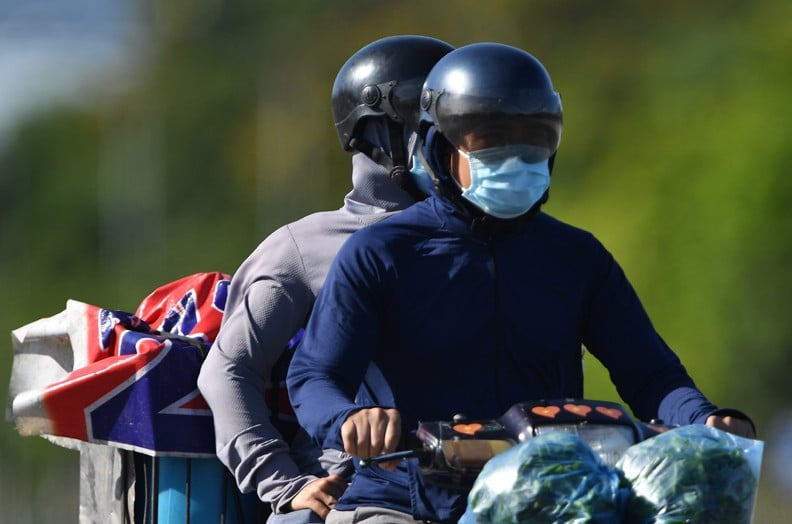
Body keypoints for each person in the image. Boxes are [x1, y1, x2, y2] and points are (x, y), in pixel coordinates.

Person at [286, 42, 756, 524]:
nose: (514, 159)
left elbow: (651, 375)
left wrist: (704, 419)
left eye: (532, 141)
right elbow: (314, 377)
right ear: (439, 146)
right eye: (490, 139)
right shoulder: (381, 252)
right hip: (403, 503)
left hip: (549, 499)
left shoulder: (578, 258)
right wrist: (349, 419)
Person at [196, 35, 454, 524]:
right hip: (356, 494)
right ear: (379, 132)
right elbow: (228, 371)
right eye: (434, 123)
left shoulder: (485, 239)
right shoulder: (304, 247)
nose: (455, 140)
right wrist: (285, 484)